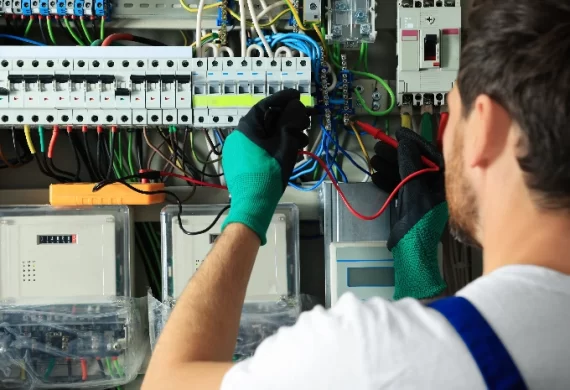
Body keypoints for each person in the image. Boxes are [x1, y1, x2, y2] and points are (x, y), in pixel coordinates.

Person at [143, 0, 570, 388]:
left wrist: (249, 211)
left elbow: (166, 381)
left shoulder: (372, 354)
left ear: (486, 130)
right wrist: (417, 271)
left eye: (451, 115)